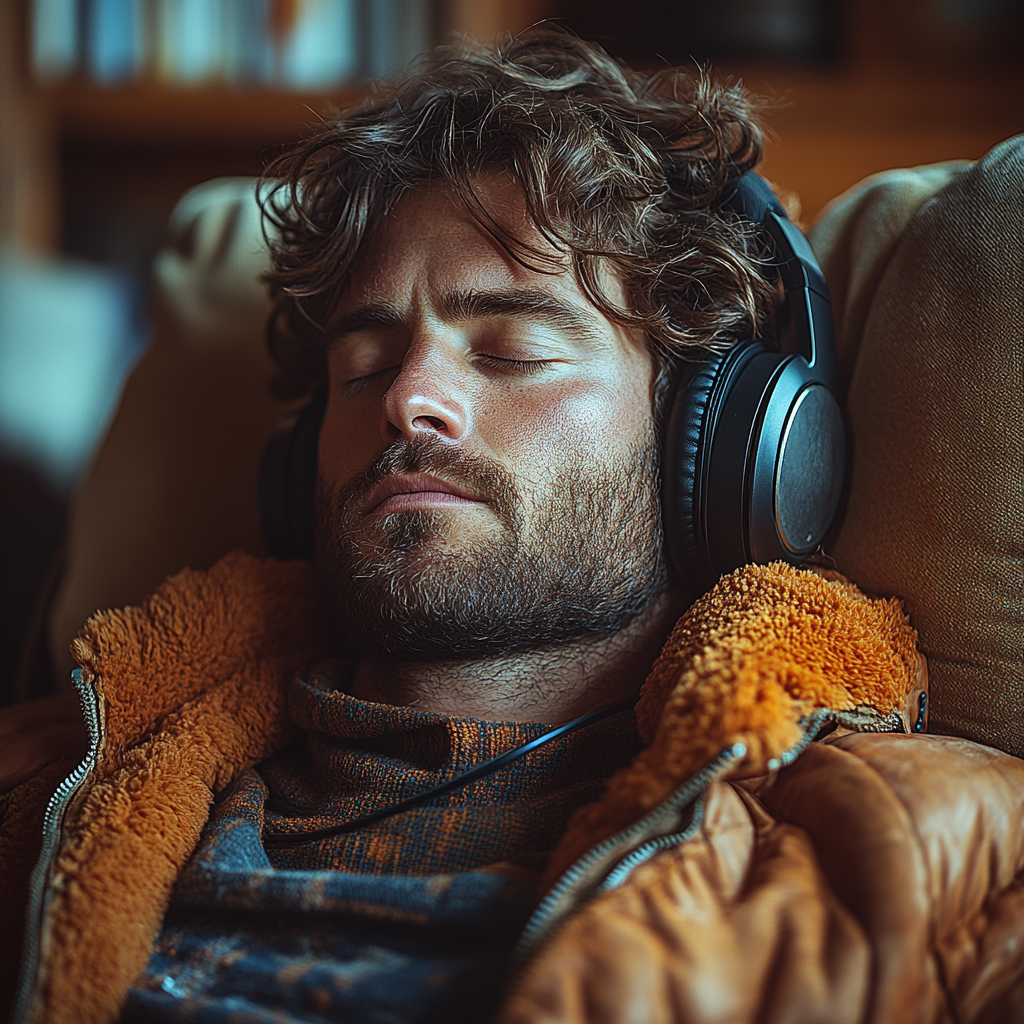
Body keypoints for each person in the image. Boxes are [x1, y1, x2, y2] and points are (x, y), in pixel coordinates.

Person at [2, 30, 1022, 1024]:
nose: (408, 399)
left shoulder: (899, 865)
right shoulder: (44, 789)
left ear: (714, 447)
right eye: (362, 364)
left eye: (511, 348)